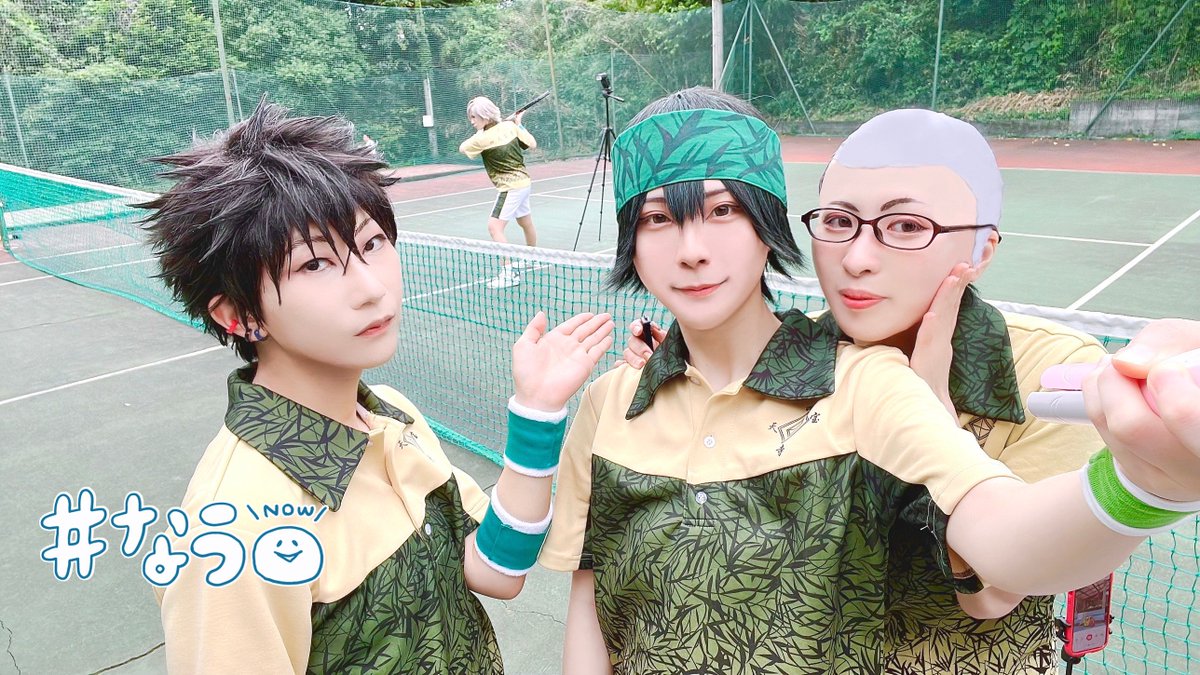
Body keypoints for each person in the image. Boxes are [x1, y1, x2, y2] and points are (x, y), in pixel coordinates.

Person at [540, 87, 1200, 674]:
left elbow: (1001, 567)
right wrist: (669, 378)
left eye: (906, 226)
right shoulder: (639, 395)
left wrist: (1142, 484)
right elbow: (596, 595)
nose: (858, 259)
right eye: (838, 222)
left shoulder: (1019, 376)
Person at [140, 99, 613, 673]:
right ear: (239, 316)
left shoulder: (391, 413)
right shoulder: (234, 526)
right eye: (314, 264)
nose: (371, 287)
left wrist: (536, 414)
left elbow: (494, 570)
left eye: (371, 244)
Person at [459, 95, 538, 289]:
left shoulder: (481, 138)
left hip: (510, 187)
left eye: (474, 117)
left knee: (494, 227)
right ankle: (532, 258)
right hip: (524, 183)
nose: (471, 121)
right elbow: (532, 144)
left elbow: (463, 148)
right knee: (525, 222)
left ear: (485, 117)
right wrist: (518, 124)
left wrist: (483, 131)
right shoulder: (511, 127)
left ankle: (508, 274)